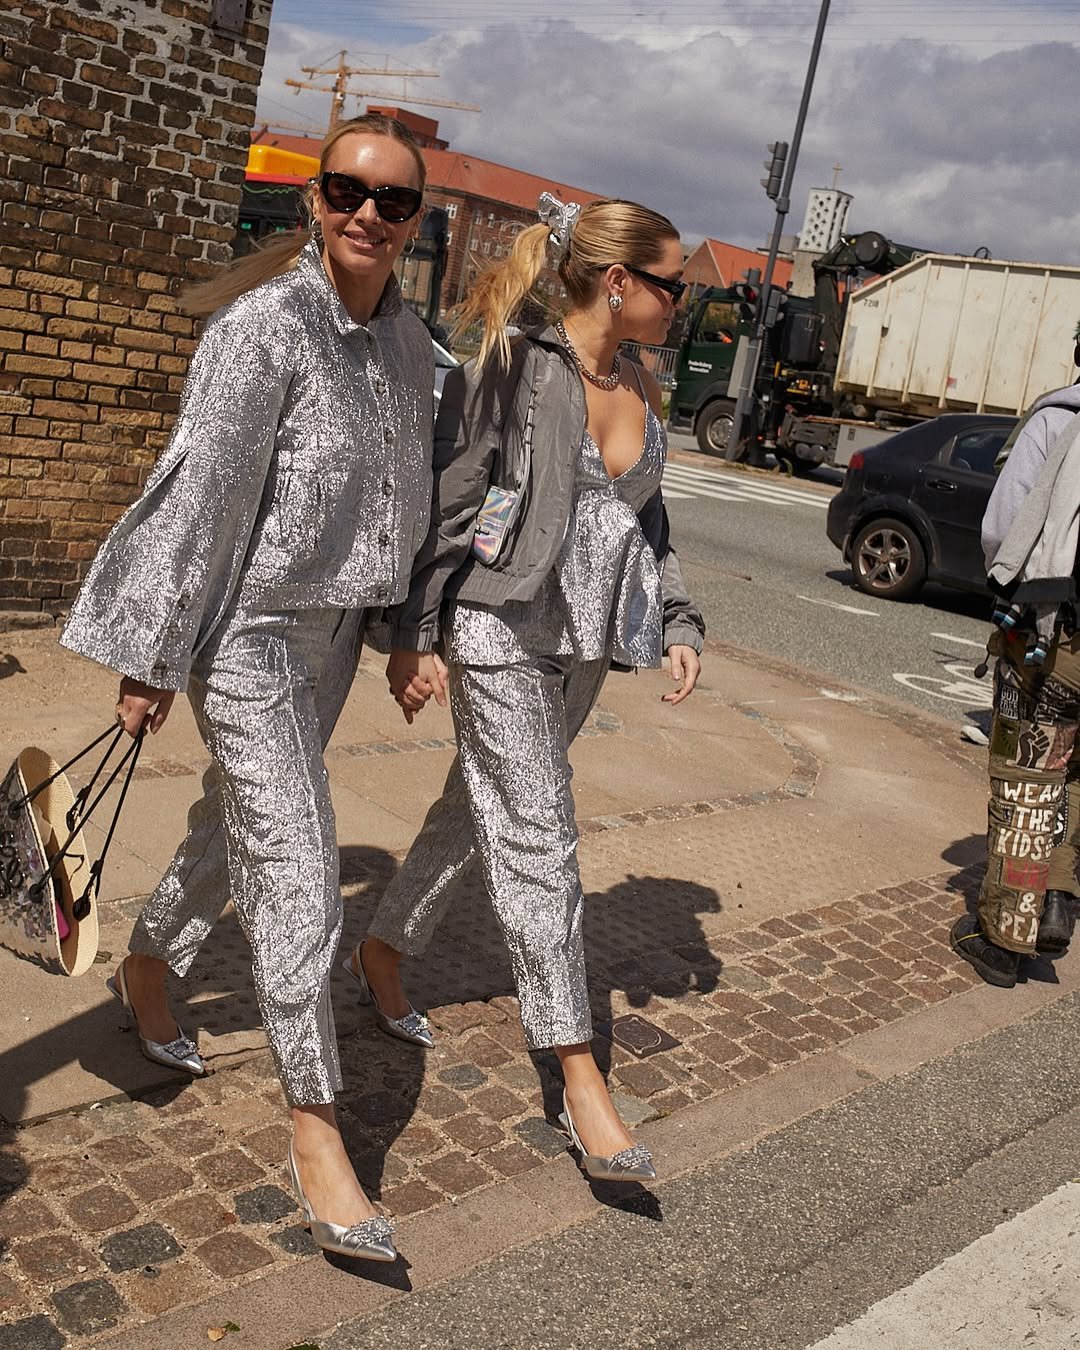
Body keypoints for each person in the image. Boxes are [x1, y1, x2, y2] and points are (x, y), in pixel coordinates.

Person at [59, 115, 435, 1261]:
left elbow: (422, 499)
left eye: (394, 200)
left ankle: (147, 957)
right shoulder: (260, 330)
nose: (368, 212)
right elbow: (203, 500)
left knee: (242, 825)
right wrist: (154, 656)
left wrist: (406, 633)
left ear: (417, 223)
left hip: (330, 640)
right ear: (315, 202)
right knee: (295, 860)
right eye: (348, 190)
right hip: (248, 633)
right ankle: (318, 1128)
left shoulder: (418, 347)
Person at [345, 193, 705, 1182]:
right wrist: (413, 637)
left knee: (480, 810)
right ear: (620, 281)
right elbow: (449, 502)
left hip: (584, 642)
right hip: (496, 628)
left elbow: (651, 519)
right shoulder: (512, 367)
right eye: (673, 284)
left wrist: (678, 620)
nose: (683, 301)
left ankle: (386, 944)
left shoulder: (643, 377)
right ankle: (577, 1070)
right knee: (541, 834)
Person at [952, 380, 1080, 986]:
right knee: (1077, 772)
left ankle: (1004, 939)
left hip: (1053, 634)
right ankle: (1056, 903)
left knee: (1027, 780)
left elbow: (1002, 527)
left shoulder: (1058, 418)